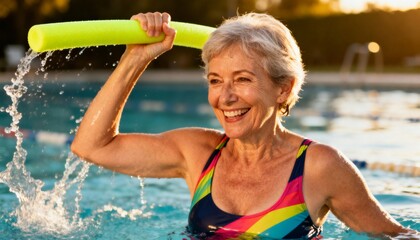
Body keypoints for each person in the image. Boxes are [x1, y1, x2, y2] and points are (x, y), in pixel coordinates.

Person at [71, 12, 415, 239]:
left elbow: (398, 236)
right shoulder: (198, 153)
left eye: (243, 79)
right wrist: (135, 58)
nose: (226, 97)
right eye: (216, 80)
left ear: (284, 88)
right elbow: (91, 146)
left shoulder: (319, 167)